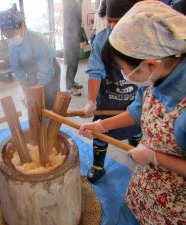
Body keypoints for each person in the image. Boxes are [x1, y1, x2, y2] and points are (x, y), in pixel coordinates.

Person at [79, 1, 186, 224]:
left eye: (122, 68)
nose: (120, 74)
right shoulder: (159, 76)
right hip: (147, 184)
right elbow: (138, 111)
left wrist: (156, 157)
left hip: (174, 206)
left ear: (149, 64)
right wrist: (101, 126)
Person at [82, 0, 142, 183]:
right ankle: (98, 166)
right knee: (101, 133)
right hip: (109, 99)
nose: (111, 25)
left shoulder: (143, 38)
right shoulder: (102, 39)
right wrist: (91, 101)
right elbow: (95, 71)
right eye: (109, 21)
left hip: (135, 98)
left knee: (136, 128)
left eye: (117, 21)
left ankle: (137, 153)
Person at [0, 5, 61, 109]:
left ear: (22, 25)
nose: (11, 38)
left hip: (50, 71)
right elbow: (17, 68)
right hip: (32, 73)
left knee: (50, 102)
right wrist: (25, 90)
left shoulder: (39, 40)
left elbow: (46, 72)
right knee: (34, 105)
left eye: (13, 32)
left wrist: (33, 93)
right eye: (7, 35)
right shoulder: (12, 46)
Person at [63, 0, 84, 96]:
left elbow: (79, 21)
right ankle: (69, 86)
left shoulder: (75, 4)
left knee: (75, 62)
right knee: (72, 63)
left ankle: (72, 82)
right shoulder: (70, 4)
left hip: (74, 38)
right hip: (71, 39)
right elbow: (71, 24)